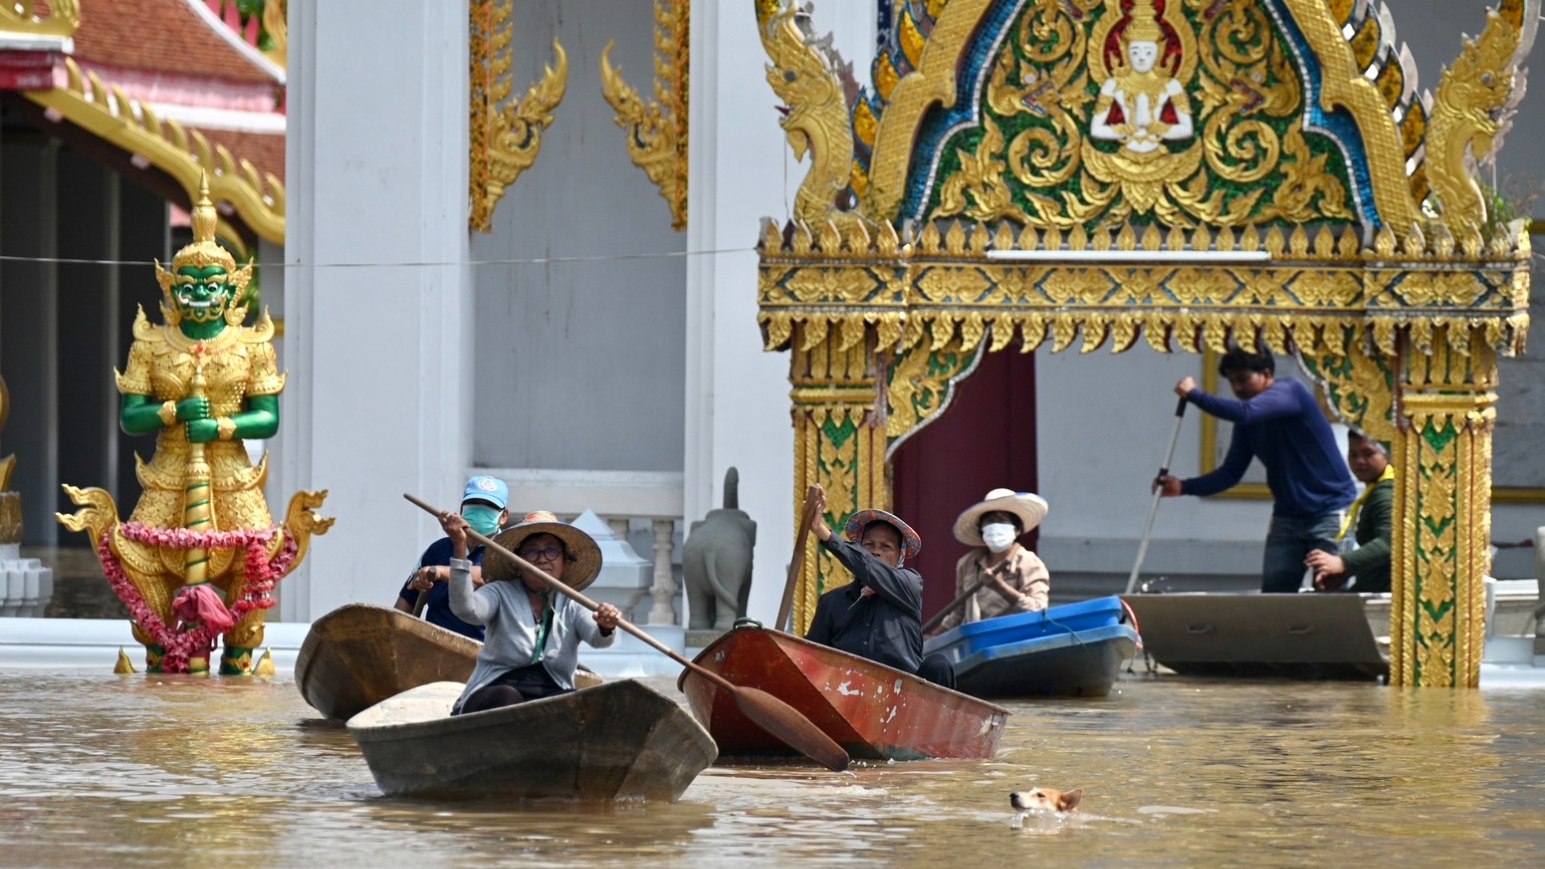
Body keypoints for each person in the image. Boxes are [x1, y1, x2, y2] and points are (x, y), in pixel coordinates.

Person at [1155, 346, 1357, 593]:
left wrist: (1195, 395)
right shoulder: (1248, 423)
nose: (1238, 388)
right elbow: (1231, 472)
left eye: (1244, 379)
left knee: (1331, 590)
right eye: (1232, 382)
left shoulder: (1290, 391)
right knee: (1275, 593)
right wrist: (1184, 487)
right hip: (1287, 516)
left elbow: (1246, 412)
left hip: (1329, 509)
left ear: (1267, 373)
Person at [439, 509, 622, 715]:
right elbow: (467, 610)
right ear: (519, 560)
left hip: (549, 694)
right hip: (494, 694)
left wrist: (606, 625)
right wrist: (459, 547)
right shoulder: (500, 592)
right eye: (532, 552)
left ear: (565, 561)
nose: (542, 559)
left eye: (551, 551)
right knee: (509, 699)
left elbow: (599, 638)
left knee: (575, 704)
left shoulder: (571, 603)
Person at [802, 485, 956, 688]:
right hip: (846, 694)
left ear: (899, 557)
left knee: (939, 665)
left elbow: (871, 569)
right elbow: (810, 658)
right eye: (868, 546)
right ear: (858, 549)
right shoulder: (832, 603)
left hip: (904, 697)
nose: (875, 553)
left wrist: (824, 533)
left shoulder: (909, 586)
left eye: (886, 547)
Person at [395, 475, 510, 640]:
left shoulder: (506, 553)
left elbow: (483, 575)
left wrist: (440, 571)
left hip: (483, 656)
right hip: (433, 649)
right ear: (462, 509)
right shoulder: (438, 550)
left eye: (489, 507)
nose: (479, 512)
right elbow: (406, 602)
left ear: (504, 516)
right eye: (474, 505)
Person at [930, 488, 1052, 636]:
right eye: (990, 521)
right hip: (976, 641)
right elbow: (958, 613)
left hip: (1015, 640)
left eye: (1002, 520)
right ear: (981, 530)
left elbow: (1037, 611)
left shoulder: (1029, 562)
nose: (995, 526)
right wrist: (933, 637)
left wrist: (1001, 587)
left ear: (1017, 530)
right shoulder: (967, 563)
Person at [1306, 429, 1393, 594]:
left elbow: (1389, 542)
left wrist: (1343, 562)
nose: (1359, 461)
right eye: (1353, 454)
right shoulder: (1378, 490)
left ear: (1388, 454)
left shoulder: (1386, 493)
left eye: (1368, 453)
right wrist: (1346, 572)